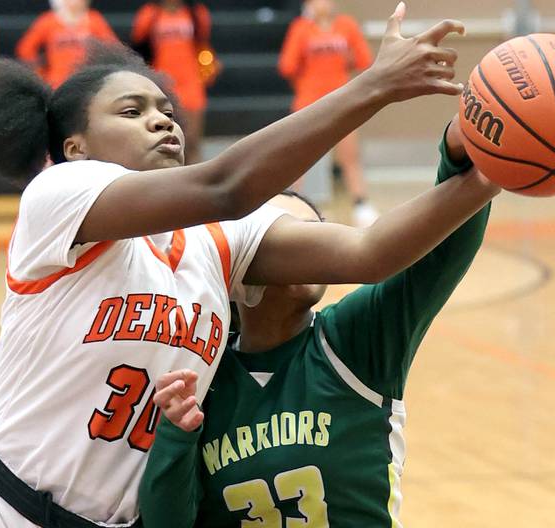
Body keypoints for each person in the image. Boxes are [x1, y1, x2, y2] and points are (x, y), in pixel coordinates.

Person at [0, 5, 470, 526]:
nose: (161, 121)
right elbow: (225, 186)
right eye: (132, 111)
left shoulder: (218, 242)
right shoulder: (57, 197)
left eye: (167, 110)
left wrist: (484, 172)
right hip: (1, 506)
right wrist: (374, 86)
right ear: (75, 147)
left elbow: (369, 253)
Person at [138, 115, 497, 526]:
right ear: (235, 269)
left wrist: (458, 158)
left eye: (313, 234)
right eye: (285, 241)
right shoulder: (199, 375)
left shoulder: (351, 340)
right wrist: (174, 436)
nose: (308, 249)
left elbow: (437, 257)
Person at [279, 0, 379, 227]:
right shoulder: (300, 28)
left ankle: (361, 204)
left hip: (342, 102)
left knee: (349, 156)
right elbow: (287, 65)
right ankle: (290, 203)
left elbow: (364, 59)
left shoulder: (347, 25)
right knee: (300, 157)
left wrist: (345, 60)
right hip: (308, 103)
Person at [131, 0, 216, 164]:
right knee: (163, 140)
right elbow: (140, 48)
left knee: (192, 142)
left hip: (191, 84)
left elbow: (202, 44)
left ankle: (197, 182)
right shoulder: (149, 14)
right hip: (160, 85)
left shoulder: (196, 13)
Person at [16, 0, 119, 88]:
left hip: (87, 82)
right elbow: (25, 49)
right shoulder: (48, 20)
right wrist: (40, 73)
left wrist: (101, 71)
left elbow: (112, 48)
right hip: (56, 82)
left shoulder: (94, 19)